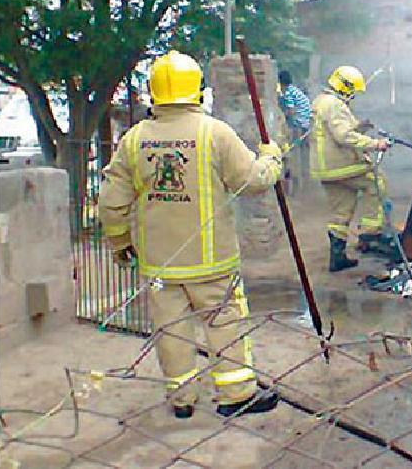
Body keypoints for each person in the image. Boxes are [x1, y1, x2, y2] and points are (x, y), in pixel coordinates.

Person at [98, 50, 283, 419]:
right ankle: (236, 395)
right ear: (197, 89)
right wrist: (272, 156)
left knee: (171, 331)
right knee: (224, 324)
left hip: (161, 266)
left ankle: (182, 399)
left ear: (155, 92)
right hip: (213, 263)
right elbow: (253, 181)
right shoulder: (215, 133)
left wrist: (120, 243)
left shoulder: (135, 140)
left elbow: (111, 202)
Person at [309, 65, 393, 272]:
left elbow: (337, 130)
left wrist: (360, 126)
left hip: (324, 169)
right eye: (353, 91)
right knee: (376, 181)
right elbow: (343, 136)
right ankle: (371, 234)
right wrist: (375, 144)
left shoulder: (321, 101)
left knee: (341, 212)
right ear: (345, 87)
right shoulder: (335, 105)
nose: (354, 95)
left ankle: (337, 258)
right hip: (340, 164)